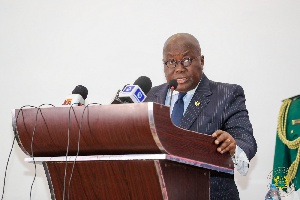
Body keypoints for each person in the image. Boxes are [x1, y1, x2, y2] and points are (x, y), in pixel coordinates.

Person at [144, 33, 257, 200]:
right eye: (171, 62)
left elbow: (245, 139)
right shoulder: (153, 95)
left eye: (187, 60)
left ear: (201, 61)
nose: (179, 68)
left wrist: (233, 146)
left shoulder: (226, 95)